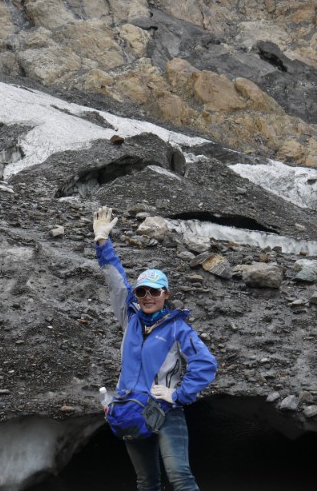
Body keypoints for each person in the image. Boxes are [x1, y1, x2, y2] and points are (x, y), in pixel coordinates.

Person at [93, 206, 217, 491]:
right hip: (130, 411)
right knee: (147, 482)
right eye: (142, 291)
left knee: (180, 478)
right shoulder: (129, 318)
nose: (147, 297)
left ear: (165, 295)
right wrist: (102, 242)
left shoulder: (178, 329)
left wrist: (179, 394)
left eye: (154, 291)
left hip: (165, 412)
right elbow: (115, 280)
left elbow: (205, 364)